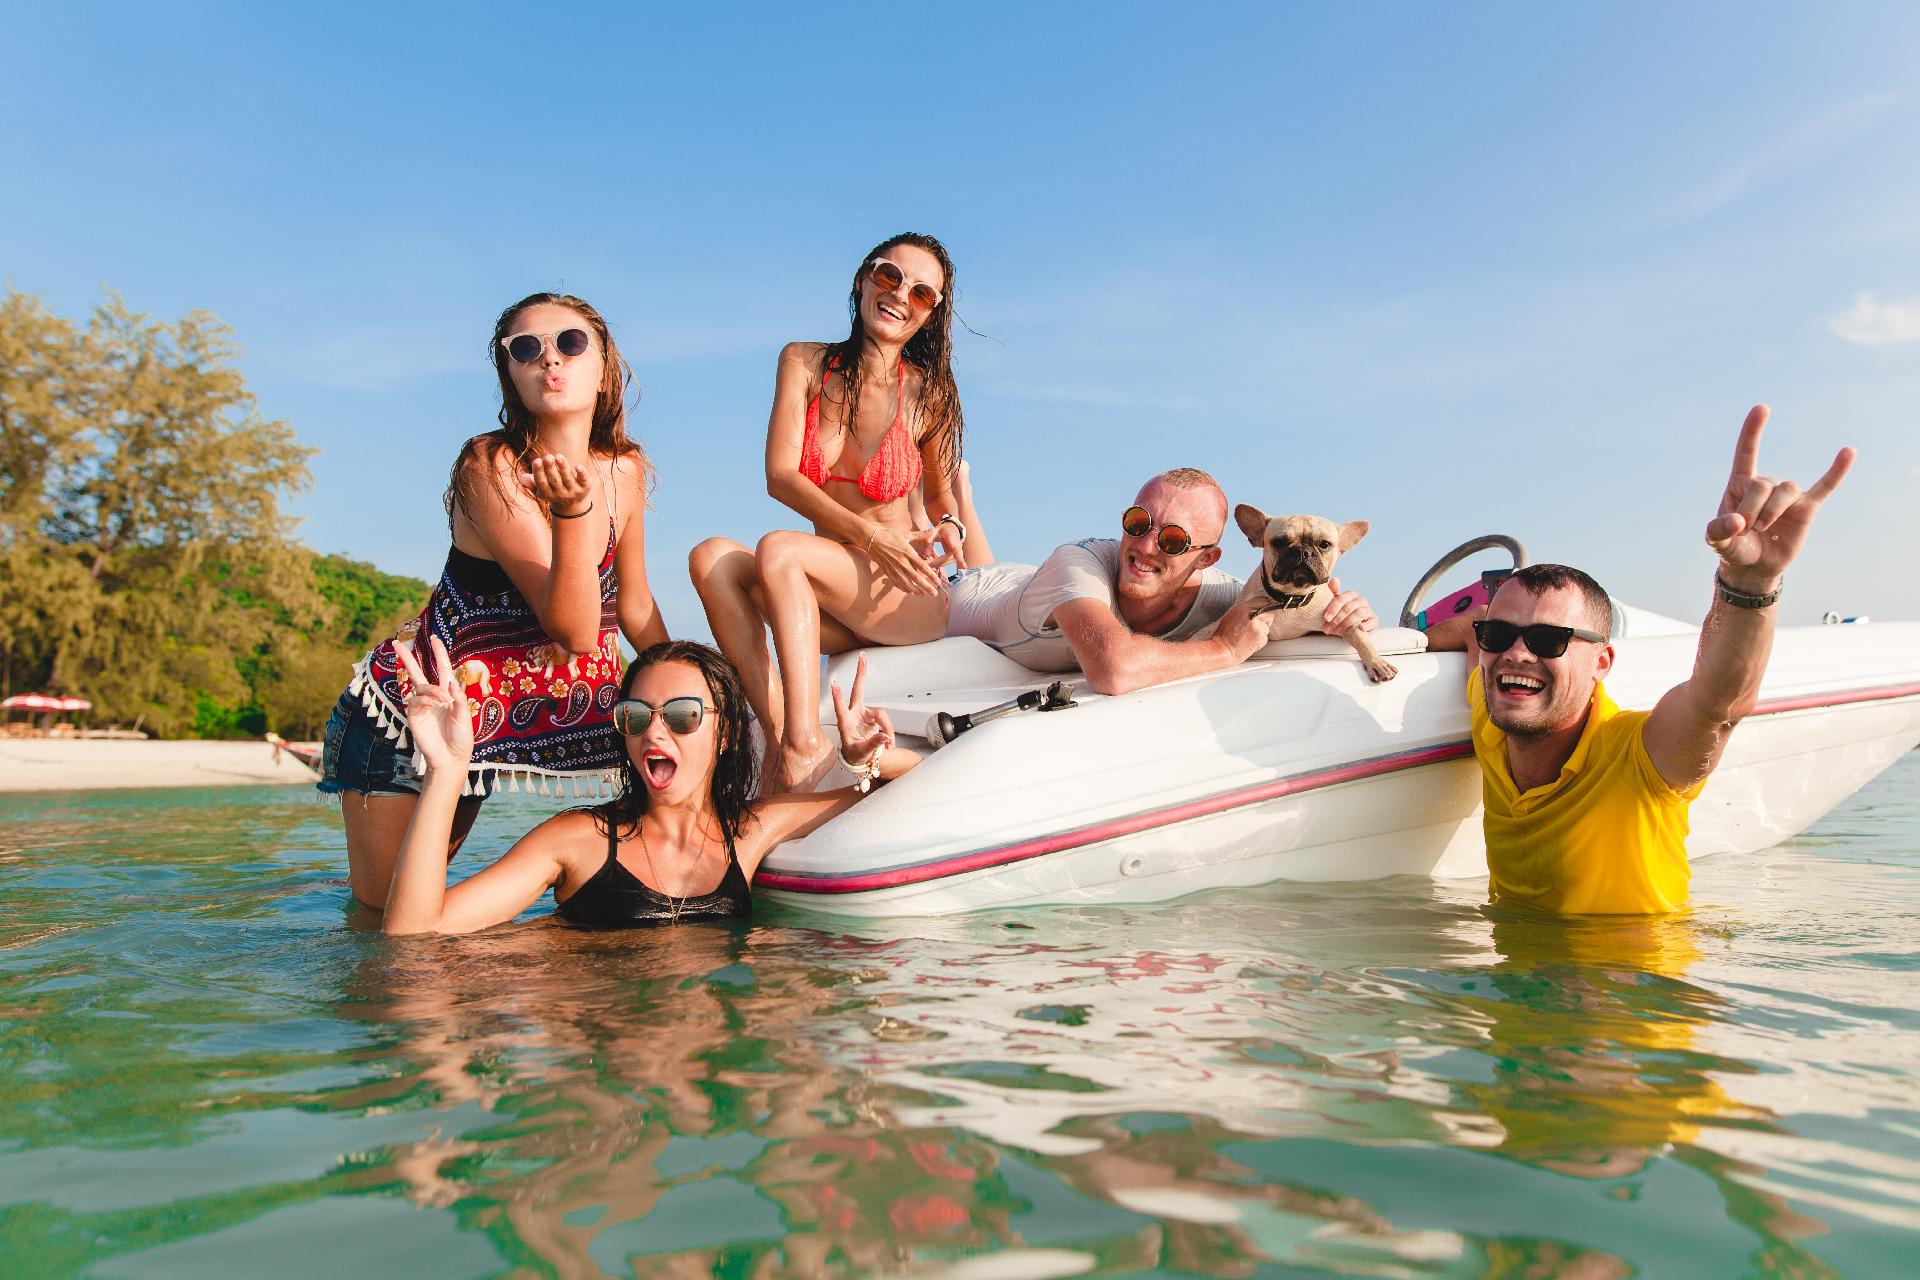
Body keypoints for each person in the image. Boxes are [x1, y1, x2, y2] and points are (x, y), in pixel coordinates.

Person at [1424, 405, 1854, 915]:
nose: (1517, 652)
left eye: (1548, 640)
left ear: (1602, 662)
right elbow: (1469, 625)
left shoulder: (1642, 757)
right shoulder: (1493, 712)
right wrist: (1360, 632)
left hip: (1632, 989)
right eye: (1502, 633)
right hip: (1514, 978)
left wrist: (1751, 583)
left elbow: (1720, 703)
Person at [321, 293, 668, 909]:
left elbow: (634, 604)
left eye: (570, 342)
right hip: (411, 716)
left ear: (604, 364)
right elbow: (575, 630)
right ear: (509, 372)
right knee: (388, 925)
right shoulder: (491, 464)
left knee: (419, 900)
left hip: (486, 726)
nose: (550, 361)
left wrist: (694, 688)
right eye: (526, 350)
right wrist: (574, 514)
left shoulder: (626, 471)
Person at [688, 233, 983, 791]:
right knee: (710, 559)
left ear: (931, 314)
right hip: (833, 593)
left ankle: (803, 745)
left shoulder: (930, 392)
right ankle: (776, 740)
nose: (900, 295)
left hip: (904, 596)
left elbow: (943, 500)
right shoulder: (803, 363)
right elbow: (780, 476)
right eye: (889, 275)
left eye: (921, 293)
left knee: (780, 548)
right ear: (863, 278)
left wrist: (948, 528)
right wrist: (872, 538)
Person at [380, 637, 915, 934]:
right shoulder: (577, 840)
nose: (655, 731)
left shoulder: (749, 832)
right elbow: (413, 938)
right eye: (637, 716)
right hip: (600, 1048)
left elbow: (910, 787)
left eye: (681, 715)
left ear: (725, 732)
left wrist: (865, 757)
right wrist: (448, 773)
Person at [945, 467, 1376, 694]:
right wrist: (1223, 648)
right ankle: (953, 491)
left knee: (1000, 568)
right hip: (971, 592)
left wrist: (1347, 615)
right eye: (1138, 523)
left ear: (1206, 559)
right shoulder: (1076, 564)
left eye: (1173, 540)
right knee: (975, 566)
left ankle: (963, 494)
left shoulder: (1226, 596)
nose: (1147, 546)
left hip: (1025, 592)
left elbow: (1293, 610)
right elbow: (1114, 670)